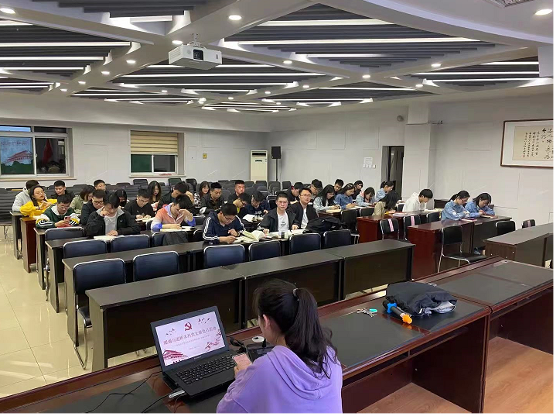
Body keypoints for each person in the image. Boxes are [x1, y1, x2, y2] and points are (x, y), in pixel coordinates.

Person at [217, 280, 342, 414]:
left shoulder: (264, 369)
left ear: (266, 321)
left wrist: (242, 377)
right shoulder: (330, 356)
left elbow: (225, 411)